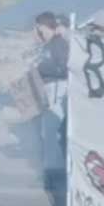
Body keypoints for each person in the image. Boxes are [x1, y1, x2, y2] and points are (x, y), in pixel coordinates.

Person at [33, 12, 70, 186]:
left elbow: (64, 68)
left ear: (48, 26)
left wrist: (43, 69)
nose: (39, 33)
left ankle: (55, 172)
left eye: (41, 29)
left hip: (56, 88)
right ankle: (51, 169)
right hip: (49, 89)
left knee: (52, 131)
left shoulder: (59, 44)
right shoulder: (49, 44)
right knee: (47, 132)